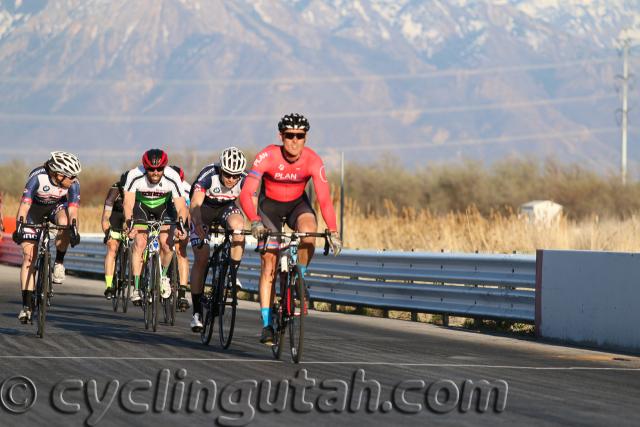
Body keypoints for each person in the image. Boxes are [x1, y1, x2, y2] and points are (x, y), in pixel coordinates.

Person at [238, 113, 342, 345]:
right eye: (289, 136)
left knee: (309, 231)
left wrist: (333, 231)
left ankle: (300, 280)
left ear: (305, 137)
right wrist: (254, 220)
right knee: (269, 264)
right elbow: (247, 193)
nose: (294, 141)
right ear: (281, 136)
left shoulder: (313, 160)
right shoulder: (267, 156)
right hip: (270, 208)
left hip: (297, 204)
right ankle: (266, 325)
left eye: (300, 136)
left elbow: (324, 200)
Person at [12, 151, 82, 323]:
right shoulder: (37, 178)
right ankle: (27, 307)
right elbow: (24, 205)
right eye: (71, 176)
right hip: (33, 212)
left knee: (65, 222)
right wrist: (19, 226)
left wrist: (73, 229)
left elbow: (73, 209)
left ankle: (59, 262)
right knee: (29, 256)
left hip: (55, 209)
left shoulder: (73, 184)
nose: (74, 179)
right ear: (59, 174)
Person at [188, 147, 247, 332]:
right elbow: (195, 204)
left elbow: (251, 205)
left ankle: (231, 273)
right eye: (227, 174)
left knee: (239, 227)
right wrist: (198, 225)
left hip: (226, 209)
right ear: (221, 169)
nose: (231, 179)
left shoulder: (245, 180)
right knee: (202, 258)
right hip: (203, 211)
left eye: (235, 175)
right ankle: (196, 313)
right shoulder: (208, 174)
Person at [122, 149, 188, 305]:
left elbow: (181, 206)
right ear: (145, 167)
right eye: (151, 169)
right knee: (139, 243)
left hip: (164, 207)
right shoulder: (134, 175)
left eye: (159, 169)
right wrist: (129, 223)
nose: (155, 172)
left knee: (167, 243)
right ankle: (137, 288)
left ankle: (163, 276)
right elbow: (128, 203)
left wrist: (181, 224)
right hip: (141, 207)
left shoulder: (172, 176)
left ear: (164, 167)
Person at [101, 173, 127, 299]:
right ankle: (109, 285)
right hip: (116, 216)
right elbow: (105, 217)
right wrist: (108, 233)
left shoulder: (141, 188)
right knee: (112, 247)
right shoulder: (115, 190)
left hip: (132, 216)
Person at [170, 165, 191, 311]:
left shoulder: (186, 188)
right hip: (167, 217)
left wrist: (183, 228)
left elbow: (188, 210)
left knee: (181, 251)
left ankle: (182, 293)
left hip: (182, 219)